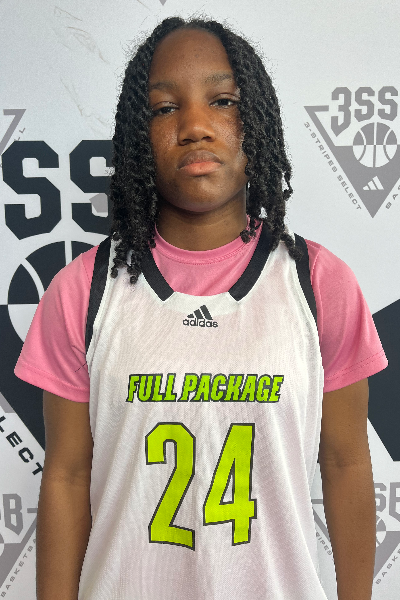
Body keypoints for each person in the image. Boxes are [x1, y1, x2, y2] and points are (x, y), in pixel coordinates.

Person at [15, 16, 387, 600]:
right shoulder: (83, 290)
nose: (194, 126)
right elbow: (66, 476)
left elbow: (345, 464)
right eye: (165, 108)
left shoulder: (319, 283)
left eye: (222, 101)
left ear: (256, 120)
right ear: (138, 135)